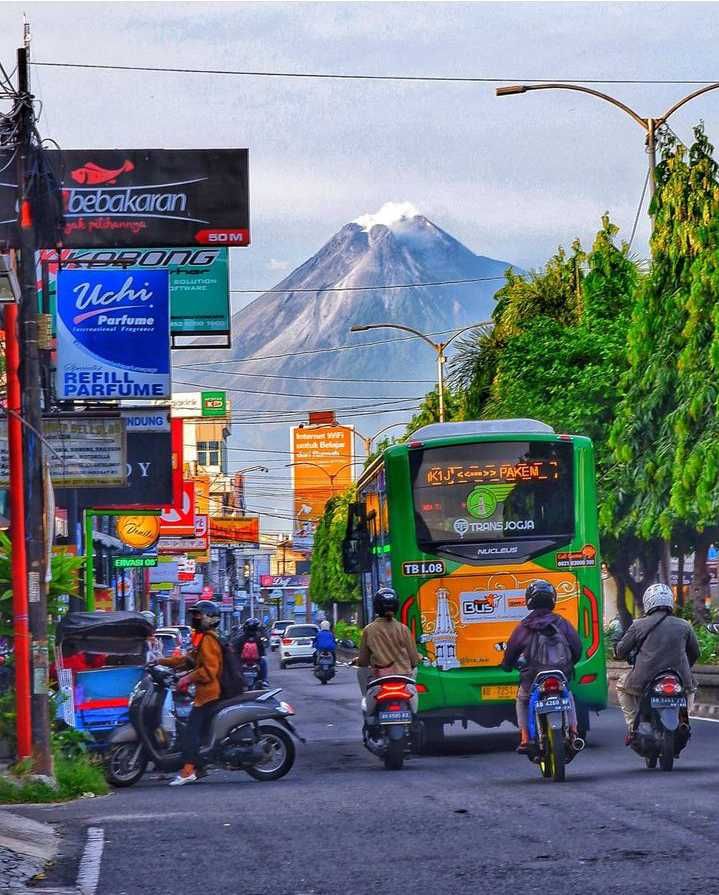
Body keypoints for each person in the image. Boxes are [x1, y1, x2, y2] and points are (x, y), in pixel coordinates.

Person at [501, 579, 582, 754]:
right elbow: (577, 647)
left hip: (533, 677)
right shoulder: (562, 623)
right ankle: (574, 732)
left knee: (522, 699)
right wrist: (568, 665)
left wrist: (507, 665)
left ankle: (524, 737)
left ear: (529, 600)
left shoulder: (524, 627)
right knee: (568, 695)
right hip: (561, 673)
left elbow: (512, 650)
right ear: (552, 599)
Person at [615, 583, 699, 743]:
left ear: (648, 602)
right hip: (679, 678)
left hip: (644, 679)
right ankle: (684, 721)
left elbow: (621, 651)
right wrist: (686, 669)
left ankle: (633, 728)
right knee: (690, 687)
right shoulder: (684, 625)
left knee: (621, 686)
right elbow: (695, 652)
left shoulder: (638, 625)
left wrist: (619, 650)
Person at [159, 599, 223, 786]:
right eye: (193, 614)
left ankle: (188, 771)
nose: (194, 618)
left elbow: (209, 670)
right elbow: (188, 660)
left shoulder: (209, 640)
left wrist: (187, 678)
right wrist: (161, 662)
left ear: (209, 619)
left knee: (190, 733)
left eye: (198, 615)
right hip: (203, 693)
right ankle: (200, 767)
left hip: (208, 694)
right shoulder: (203, 639)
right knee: (199, 733)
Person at [357, 587, 420, 694]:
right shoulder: (403, 629)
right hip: (403, 676)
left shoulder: (369, 629)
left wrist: (358, 661)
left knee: (360, 670)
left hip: (379, 677)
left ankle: (366, 698)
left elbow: (363, 661)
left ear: (376, 606)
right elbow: (414, 660)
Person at [232, 618, 269, 687]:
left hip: (246, 661)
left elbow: (235, 651)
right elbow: (262, 652)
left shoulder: (240, 638)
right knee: (264, 662)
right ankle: (264, 680)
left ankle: (264, 680)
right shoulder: (258, 639)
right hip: (249, 661)